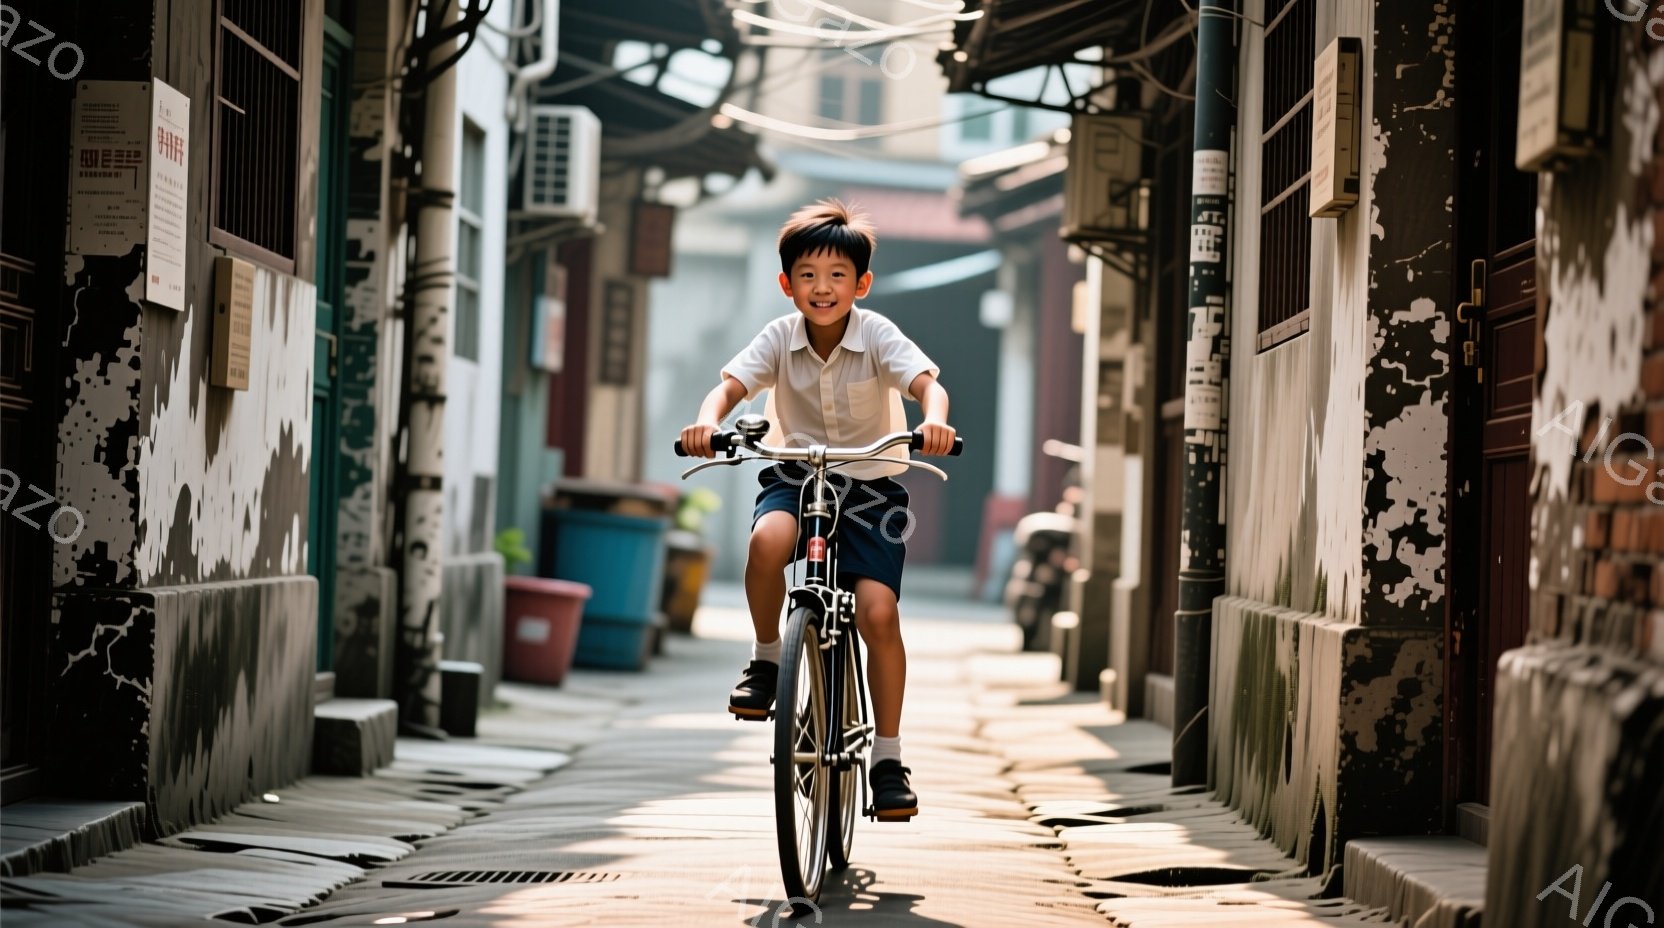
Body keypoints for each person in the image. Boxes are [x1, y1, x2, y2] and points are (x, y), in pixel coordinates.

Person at [679, 198, 957, 820]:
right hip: (797, 476)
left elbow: (925, 385)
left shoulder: (879, 334)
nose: (822, 287)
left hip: (871, 490)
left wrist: (934, 421)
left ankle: (887, 756)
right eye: (807, 275)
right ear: (786, 284)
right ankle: (765, 659)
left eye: (837, 276)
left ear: (862, 284)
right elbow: (730, 386)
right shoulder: (778, 337)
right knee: (766, 544)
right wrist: (706, 422)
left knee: (878, 613)